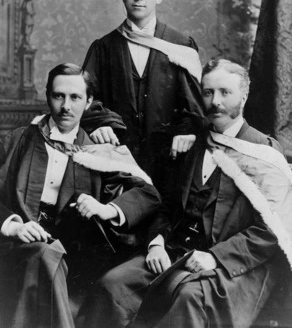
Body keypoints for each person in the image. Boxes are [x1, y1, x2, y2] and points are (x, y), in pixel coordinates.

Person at [82, 58, 292, 328]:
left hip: (231, 264)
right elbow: (168, 206)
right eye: (208, 92)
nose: (215, 101)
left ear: (244, 94)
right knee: (111, 286)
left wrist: (214, 257)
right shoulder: (194, 143)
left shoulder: (263, 152)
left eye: (225, 92)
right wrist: (157, 242)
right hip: (175, 251)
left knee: (188, 298)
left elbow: (271, 230)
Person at [0, 63, 161, 328]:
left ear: (89, 101)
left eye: (75, 98)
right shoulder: (18, 140)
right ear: (48, 96)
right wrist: (12, 226)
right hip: (15, 246)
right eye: (58, 96)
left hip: (74, 253)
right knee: (43, 254)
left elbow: (148, 194)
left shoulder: (97, 150)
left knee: (49, 254)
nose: (66, 106)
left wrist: (107, 209)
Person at [81, 0, 205, 186]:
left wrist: (187, 132)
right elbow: (83, 98)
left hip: (171, 162)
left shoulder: (181, 45)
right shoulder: (104, 47)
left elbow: (197, 107)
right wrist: (100, 123)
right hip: (118, 160)